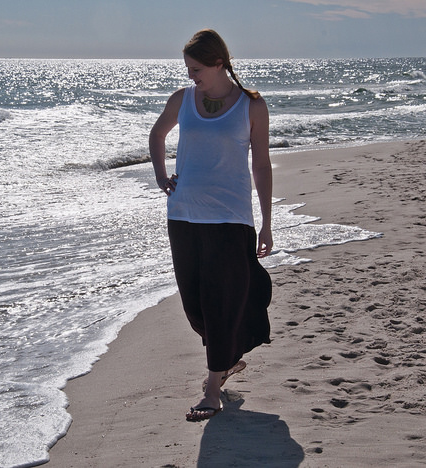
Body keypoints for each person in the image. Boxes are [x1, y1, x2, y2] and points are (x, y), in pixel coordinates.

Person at [149, 29, 273, 422]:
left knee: (221, 302)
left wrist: (267, 222)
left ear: (219, 63)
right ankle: (227, 358)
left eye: (197, 68)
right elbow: (157, 134)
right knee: (195, 304)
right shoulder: (183, 100)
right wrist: (160, 175)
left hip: (229, 218)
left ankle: (212, 388)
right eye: (188, 69)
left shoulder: (251, 106)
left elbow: (261, 164)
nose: (191, 76)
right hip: (183, 214)